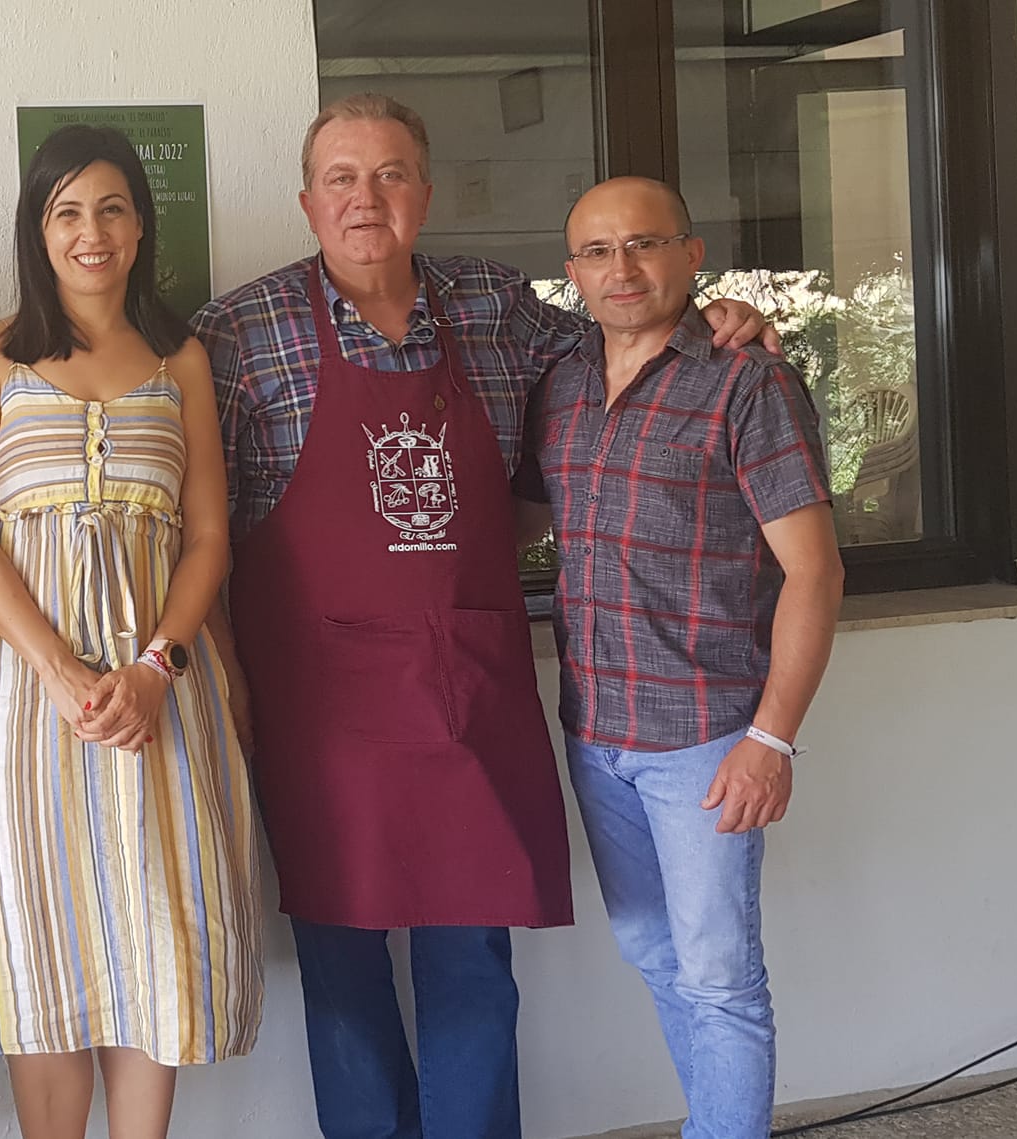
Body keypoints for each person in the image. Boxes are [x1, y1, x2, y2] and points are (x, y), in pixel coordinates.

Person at [190, 94, 776, 1139]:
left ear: (425, 191)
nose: (364, 199)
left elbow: (627, 332)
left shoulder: (498, 307)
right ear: (306, 200)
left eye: (388, 175)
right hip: (318, 700)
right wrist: (222, 675)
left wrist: (714, 318)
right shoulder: (236, 333)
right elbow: (197, 531)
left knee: (470, 957)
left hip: (467, 679)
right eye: (340, 179)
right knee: (339, 958)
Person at [0, 123, 265, 1139]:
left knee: (152, 929)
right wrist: (64, 670)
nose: (90, 231)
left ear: (140, 225)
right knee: (41, 938)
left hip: (158, 683)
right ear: (37, 229)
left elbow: (207, 535)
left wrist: (154, 666)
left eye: (111, 208)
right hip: (17, 692)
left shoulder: (181, 357)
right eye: (66, 211)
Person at [517, 177, 842, 1138]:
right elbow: (528, 518)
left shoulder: (750, 383)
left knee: (721, 976)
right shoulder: (566, 379)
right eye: (598, 252)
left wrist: (772, 739)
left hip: (706, 739)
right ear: (572, 271)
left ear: (692, 257)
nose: (623, 269)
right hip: (596, 732)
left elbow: (813, 575)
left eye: (646, 244)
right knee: (653, 949)